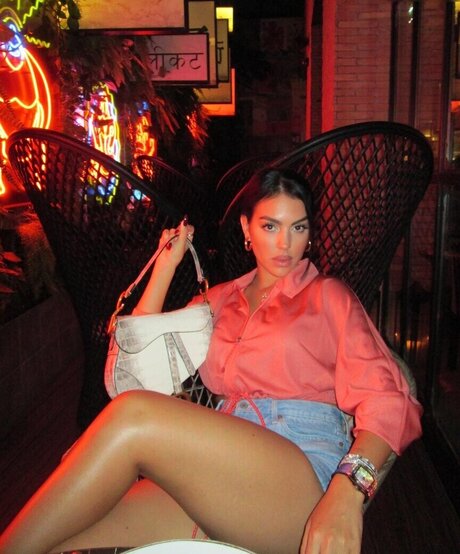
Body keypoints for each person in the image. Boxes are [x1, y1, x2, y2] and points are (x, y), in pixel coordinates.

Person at [0, 168, 422, 554]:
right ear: (246, 228)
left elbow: (392, 399)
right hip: (220, 472)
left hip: (300, 481)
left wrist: (349, 490)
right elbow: (141, 361)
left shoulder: (327, 295)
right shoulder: (220, 299)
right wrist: (165, 265)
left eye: (298, 227)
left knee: (132, 415)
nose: (285, 243)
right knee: (67, 529)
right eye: (270, 226)